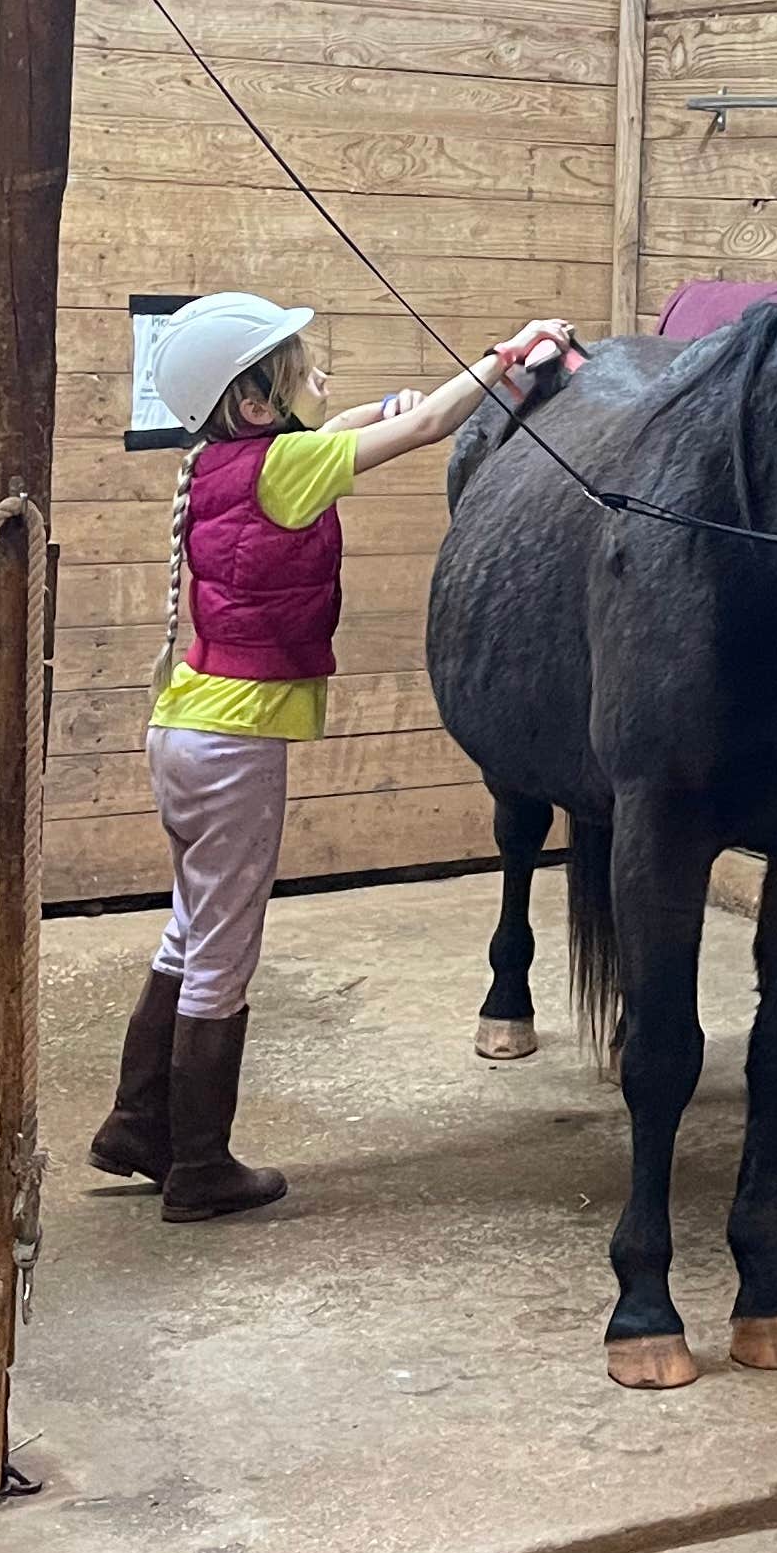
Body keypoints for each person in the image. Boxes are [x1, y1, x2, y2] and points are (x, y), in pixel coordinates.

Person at [96, 292, 583, 1221]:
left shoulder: (221, 462)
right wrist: (509, 352)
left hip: (185, 727)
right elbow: (433, 426)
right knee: (223, 956)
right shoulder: (290, 465)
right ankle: (200, 1167)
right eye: (303, 373)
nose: (322, 377)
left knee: (188, 932)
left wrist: (377, 409)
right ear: (256, 406)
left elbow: (350, 429)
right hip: (237, 745)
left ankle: (136, 1125)